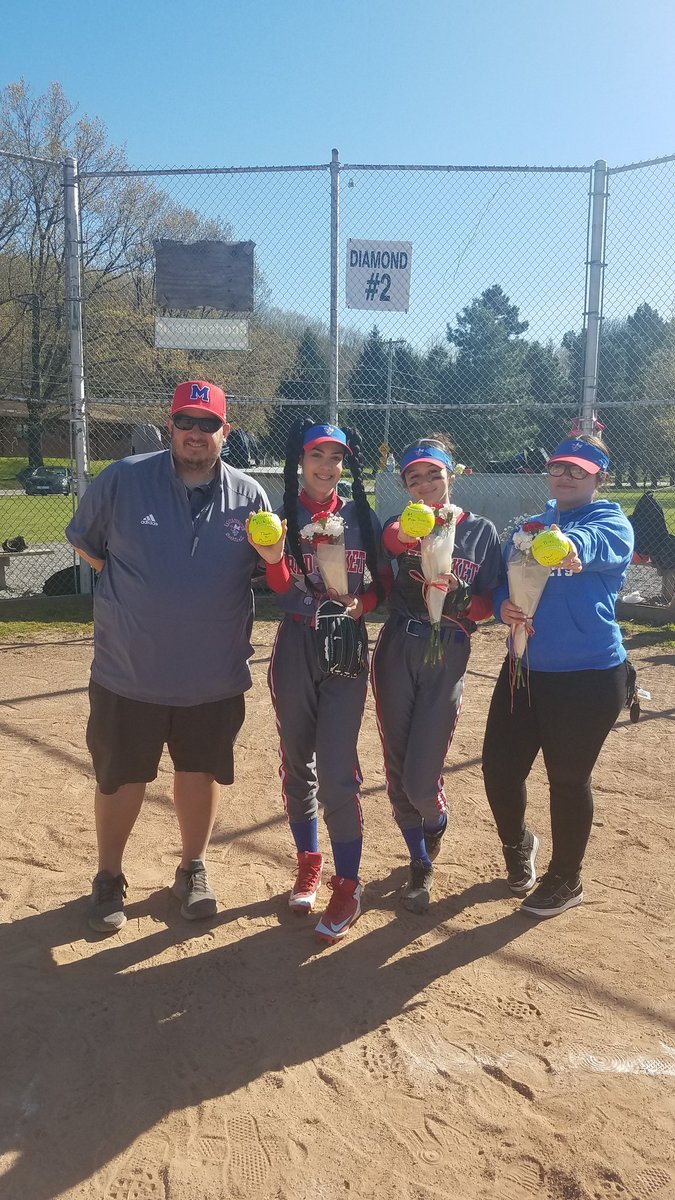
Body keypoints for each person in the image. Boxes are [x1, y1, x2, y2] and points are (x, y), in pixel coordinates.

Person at [66, 380, 270, 933]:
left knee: (199, 773)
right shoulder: (124, 479)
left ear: (225, 432)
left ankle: (192, 868)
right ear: (170, 424)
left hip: (212, 673)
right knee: (120, 778)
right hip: (129, 670)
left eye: (209, 424)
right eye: (187, 421)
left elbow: (265, 570)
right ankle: (109, 876)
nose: (196, 433)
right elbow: (87, 544)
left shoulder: (249, 496)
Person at [482, 433, 634, 918]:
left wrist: (568, 545)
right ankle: (519, 842)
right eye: (559, 467)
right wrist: (505, 604)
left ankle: (566, 878)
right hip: (524, 667)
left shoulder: (610, 520)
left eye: (578, 470)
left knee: (567, 779)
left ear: (598, 478)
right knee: (499, 769)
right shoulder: (530, 524)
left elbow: (593, 546)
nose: (566, 476)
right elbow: (511, 583)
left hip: (587, 675)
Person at [248, 419, 388, 946]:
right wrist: (272, 558)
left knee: (337, 770)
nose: (326, 466)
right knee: (295, 761)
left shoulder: (361, 517)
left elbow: (382, 587)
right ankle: (310, 862)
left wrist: (363, 603)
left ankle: (348, 884)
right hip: (298, 643)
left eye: (336, 457)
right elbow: (283, 591)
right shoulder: (281, 516)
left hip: (346, 647)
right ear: (300, 461)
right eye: (316, 456)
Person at [370, 436, 502, 913]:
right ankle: (419, 860)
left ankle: (435, 823)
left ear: (453, 474)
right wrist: (412, 532)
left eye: (433, 474)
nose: (425, 485)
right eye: (413, 478)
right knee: (396, 765)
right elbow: (389, 542)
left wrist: (472, 604)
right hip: (398, 644)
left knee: (422, 779)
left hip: (449, 646)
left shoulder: (481, 530)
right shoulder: (400, 522)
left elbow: (493, 601)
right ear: (405, 486)